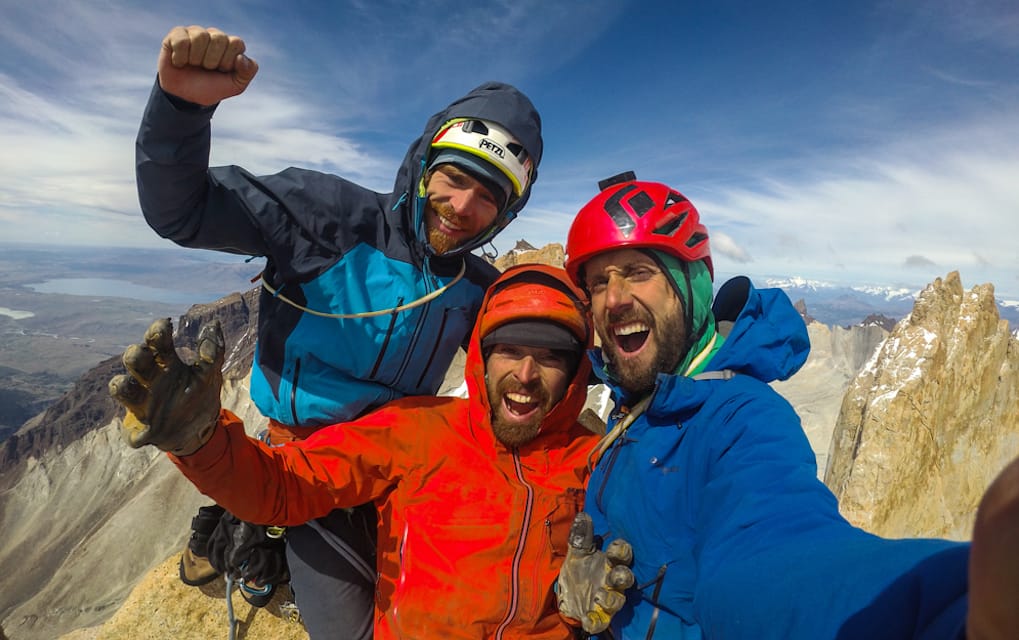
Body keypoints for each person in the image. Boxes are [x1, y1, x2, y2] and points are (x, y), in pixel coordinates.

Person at [134, 25, 543, 636]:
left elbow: (536, 351)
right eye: (455, 178)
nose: (463, 208)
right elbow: (182, 211)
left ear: (507, 214)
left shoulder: (474, 285)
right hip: (303, 464)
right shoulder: (323, 217)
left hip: (395, 462)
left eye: (489, 198)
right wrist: (182, 106)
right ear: (424, 163)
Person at [556, 172, 1019, 639]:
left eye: (639, 272)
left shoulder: (742, 418)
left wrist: (954, 612)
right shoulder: (635, 408)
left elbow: (775, 560)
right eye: (598, 283)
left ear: (692, 285)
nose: (613, 299)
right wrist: (583, 585)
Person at [109, 264, 634, 639]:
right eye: (510, 350)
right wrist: (199, 441)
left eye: (549, 357)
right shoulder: (420, 430)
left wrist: (579, 613)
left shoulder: (599, 461)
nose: (524, 375)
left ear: (574, 372)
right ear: (481, 357)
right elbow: (289, 486)